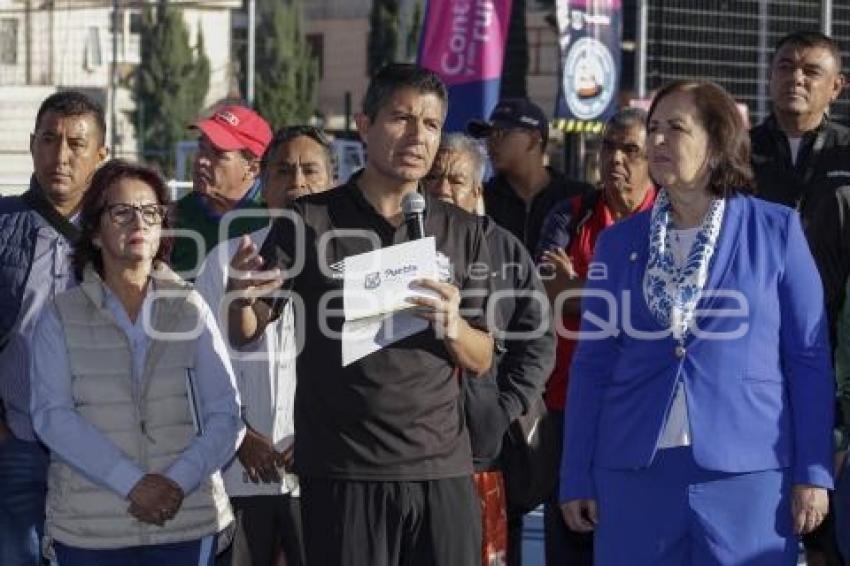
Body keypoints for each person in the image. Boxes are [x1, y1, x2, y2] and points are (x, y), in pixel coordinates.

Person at [226, 63, 494, 566]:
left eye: (432, 125)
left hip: (441, 472)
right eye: (402, 118)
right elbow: (245, 331)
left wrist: (453, 325)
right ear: (364, 124)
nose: (417, 136)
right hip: (344, 473)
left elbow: (482, 358)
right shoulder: (310, 219)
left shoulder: (465, 230)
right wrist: (239, 294)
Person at [559, 80, 834, 565]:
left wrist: (813, 470)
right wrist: (576, 473)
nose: (657, 141)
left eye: (676, 129)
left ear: (716, 143)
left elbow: (808, 358)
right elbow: (593, 364)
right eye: (654, 128)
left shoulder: (777, 230)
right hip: (632, 473)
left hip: (748, 476)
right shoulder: (618, 243)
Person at [29, 160, 242, 564]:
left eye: (150, 212)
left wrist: (175, 483)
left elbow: (225, 414)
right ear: (94, 230)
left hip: (186, 521)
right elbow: (51, 416)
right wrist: (132, 484)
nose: (138, 223)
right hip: (92, 530)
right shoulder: (60, 315)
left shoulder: (189, 308)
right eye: (121, 212)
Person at [196, 125, 336, 566]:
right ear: (264, 182)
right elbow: (196, 365)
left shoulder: (350, 262)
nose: (297, 182)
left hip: (319, 474)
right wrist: (237, 436)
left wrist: (319, 434)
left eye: (310, 170)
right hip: (237, 474)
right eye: (283, 171)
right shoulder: (223, 260)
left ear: (332, 180)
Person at [423, 133, 555, 565]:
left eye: (456, 180)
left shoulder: (506, 251)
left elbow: (537, 342)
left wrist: (502, 407)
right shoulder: (399, 249)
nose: (443, 188)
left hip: (484, 453)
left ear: (477, 191)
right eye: (434, 177)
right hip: (410, 452)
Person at [536, 107, 656, 566]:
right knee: (570, 539)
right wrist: (620, 291)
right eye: (609, 146)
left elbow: (659, 304)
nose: (616, 159)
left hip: (642, 408)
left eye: (631, 149)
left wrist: (580, 286)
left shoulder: (670, 219)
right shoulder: (571, 214)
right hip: (570, 404)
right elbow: (547, 295)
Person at [751, 30, 850, 564]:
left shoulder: (848, 155)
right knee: (762, 510)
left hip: (833, 354)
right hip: (756, 357)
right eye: (786, 65)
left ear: (836, 86)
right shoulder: (738, 155)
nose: (796, 77)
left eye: (811, 70)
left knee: (827, 527)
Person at [0, 90, 109, 565]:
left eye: (75, 144)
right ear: (32, 145)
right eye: (49, 140)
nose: (60, 156)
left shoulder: (125, 232)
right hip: (17, 444)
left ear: (100, 155)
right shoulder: (4, 223)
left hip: (99, 452)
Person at [467, 97, 592, 253]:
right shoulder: (482, 197)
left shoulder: (577, 197)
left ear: (534, 139)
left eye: (500, 133)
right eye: (489, 135)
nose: (491, 143)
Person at [170, 105, 273, 276]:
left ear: (253, 168)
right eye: (202, 147)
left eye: (218, 153)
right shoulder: (175, 218)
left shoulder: (273, 220)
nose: (202, 160)